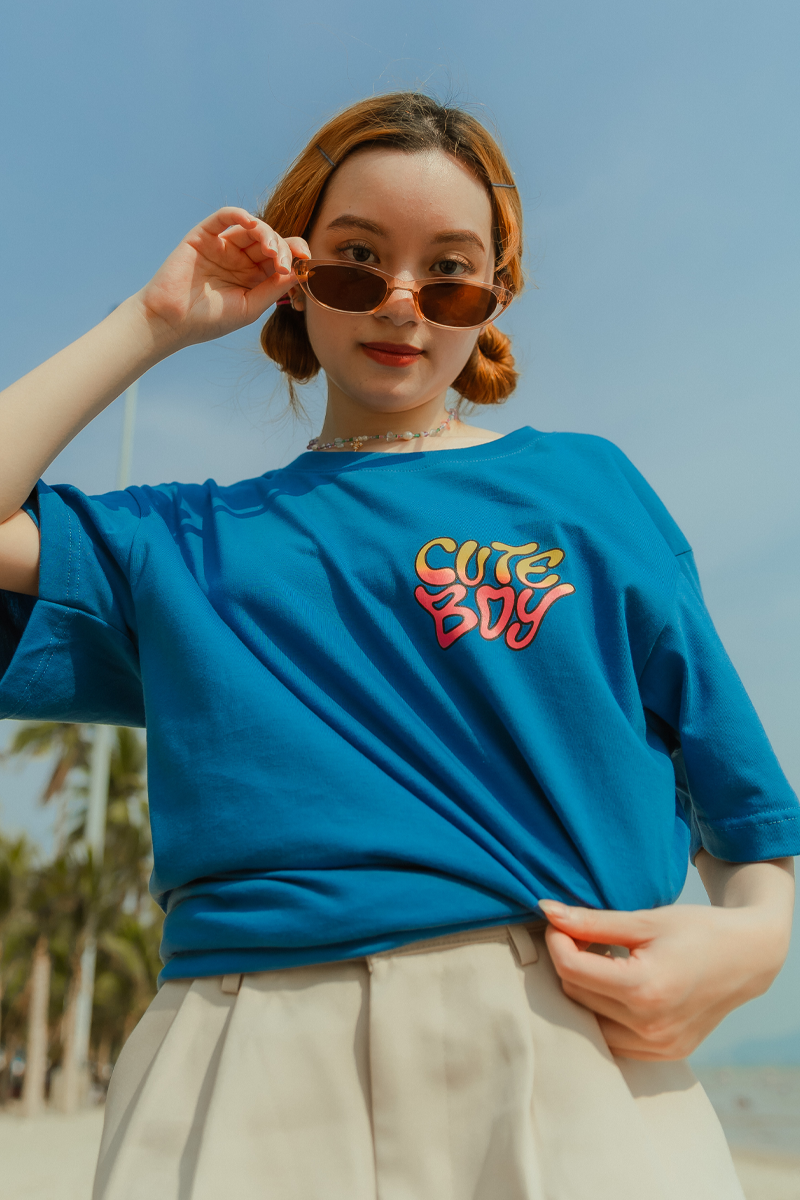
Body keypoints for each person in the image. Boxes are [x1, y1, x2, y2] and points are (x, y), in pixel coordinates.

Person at [0, 92, 797, 1200]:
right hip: (238, 1056)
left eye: (451, 271)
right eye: (354, 261)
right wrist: (155, 320)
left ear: (495, 297)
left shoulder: (586, 493)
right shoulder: (187, 540)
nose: (401, 302)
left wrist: (754, 939)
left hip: (560, 1049)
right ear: (293, 273)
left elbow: (743, 806)